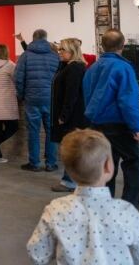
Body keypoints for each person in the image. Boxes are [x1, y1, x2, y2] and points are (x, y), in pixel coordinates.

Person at [27, 129, 139, 265]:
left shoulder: (55, 210)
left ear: (68, 170)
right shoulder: (126, 212)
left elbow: (37, 254)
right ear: (108, 167)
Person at [83, 28, 139, 209]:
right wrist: (136, 127)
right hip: (118, 126)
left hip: (96, 125)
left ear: (102, 46)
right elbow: (127, 100)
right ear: (122, 46)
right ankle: (129, 211)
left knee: (106, 167)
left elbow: (87, 96)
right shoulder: (123, 67)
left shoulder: (92, 68)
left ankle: (104, 210)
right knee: (135, 163)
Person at [15, 29, 61, 172]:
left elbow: (17, 78)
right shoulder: (55, 56)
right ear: (46, 38)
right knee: (50, 131)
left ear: (33, 38)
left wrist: (22, 95)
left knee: (33, 132)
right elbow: (60, 79)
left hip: (32, 99)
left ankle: (34, 163)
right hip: (51, 100)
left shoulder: (25, 56)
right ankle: (51, 163)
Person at [50, 38, 89, 193]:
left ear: (72, 52)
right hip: (70, 115)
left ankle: (69, 181)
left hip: (72, 117)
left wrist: (64, 115)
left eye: (62, 50)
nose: (59, 52)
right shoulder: (69, 66)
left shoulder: (75, 68)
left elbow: (71, 95)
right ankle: (71, 180)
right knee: (72, 149)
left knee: (72, 149)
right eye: (59, 49)